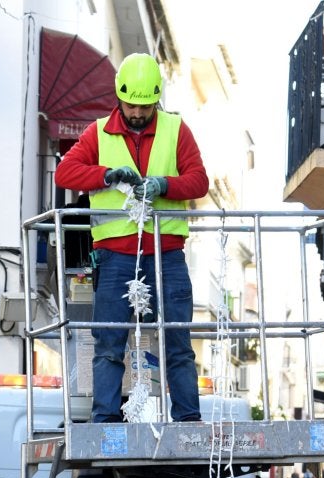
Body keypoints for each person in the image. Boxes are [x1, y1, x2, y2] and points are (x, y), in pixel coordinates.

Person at [54, 52, 209, 424]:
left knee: (177, 344)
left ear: (157, 99)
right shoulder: (98, 132)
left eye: (145, 106)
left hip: (166, 253)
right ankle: (105, 419)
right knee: (109, 345)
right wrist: (105, 175)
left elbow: (199, 181)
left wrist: (163, 185)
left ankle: (188, 419)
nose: (137, 113)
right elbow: (65, 173)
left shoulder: (176, 130)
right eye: (131, 105)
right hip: (114, 256)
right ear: (118, 97)